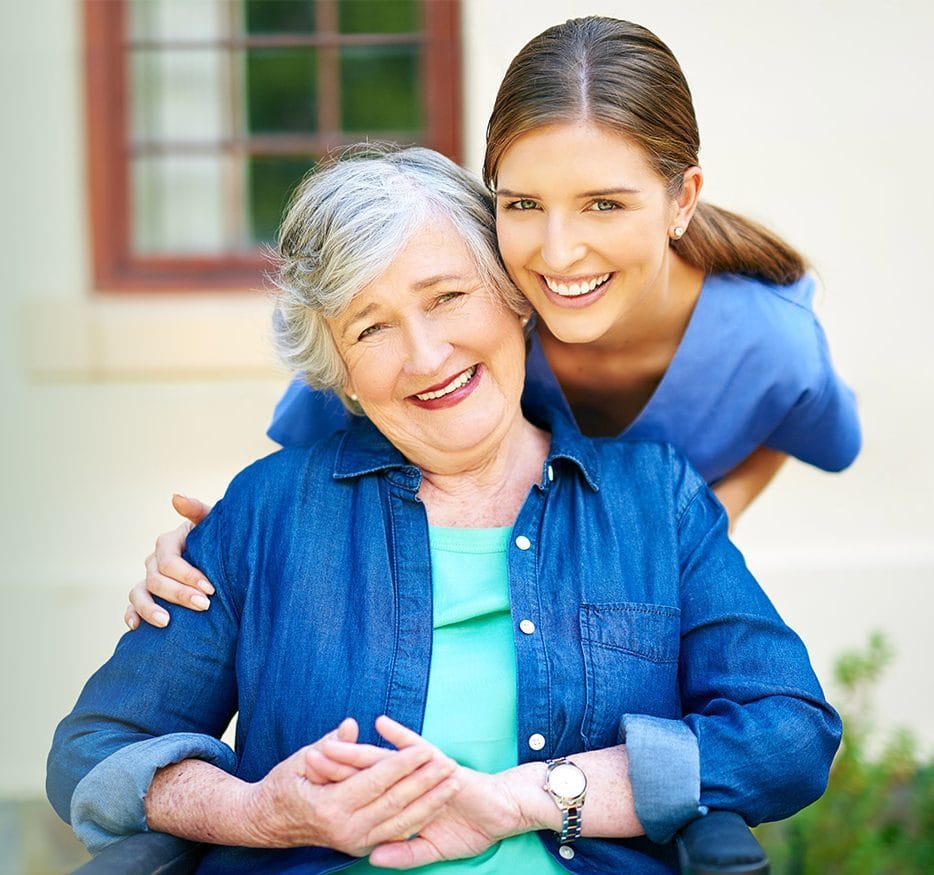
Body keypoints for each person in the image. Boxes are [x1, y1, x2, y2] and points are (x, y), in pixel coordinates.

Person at [48, 146, 841, 874]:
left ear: (515, 301)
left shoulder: (651, 500)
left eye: (448, 296)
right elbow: (93, 748)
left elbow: (790, 729)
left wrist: (537, 794)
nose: (426, 356)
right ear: (343, 374)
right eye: (373, 327)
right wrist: (260, 811)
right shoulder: (267, 510)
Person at [125, 16, 860, 631]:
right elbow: (304, 467)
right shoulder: (468, 313)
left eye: (605, 204)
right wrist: (198, 560)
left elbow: (810, 434)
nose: (558, 252)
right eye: (523, 204)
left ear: (682, 199)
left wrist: (702, 525)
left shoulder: (772, 345)